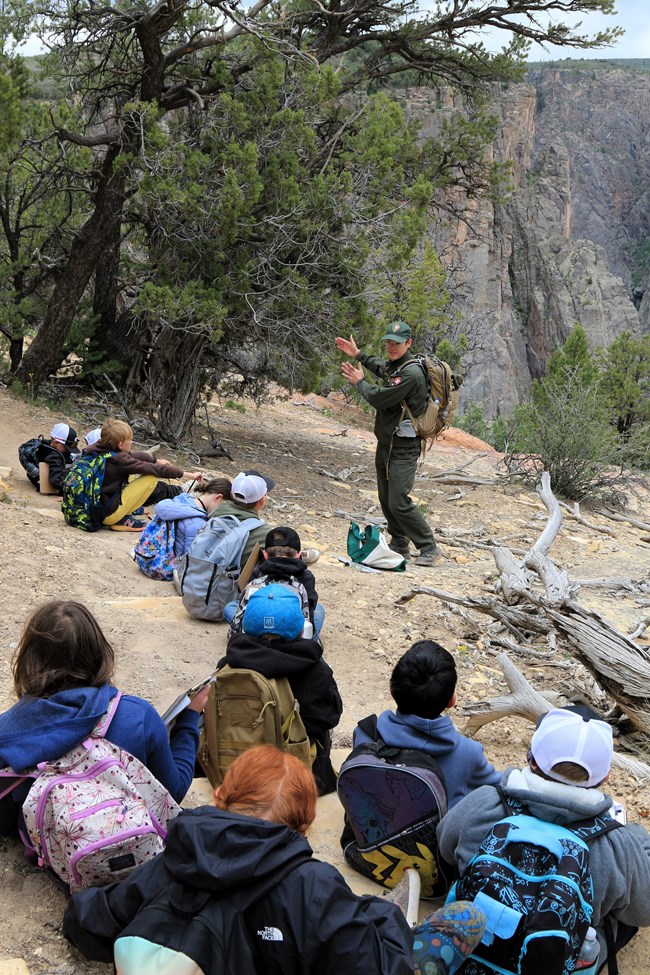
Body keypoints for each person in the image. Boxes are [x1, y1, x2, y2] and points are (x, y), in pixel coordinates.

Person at [62, 744, 487, 975]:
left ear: (221, 798)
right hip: (342, 928)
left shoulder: (173, 860)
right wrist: (387, 921)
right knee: (465, 917)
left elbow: (86, 922)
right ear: (304, 826)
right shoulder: (315, 887)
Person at [437, 707, 650, 971]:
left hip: (469, 947)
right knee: (618, 919)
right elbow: (643, 911)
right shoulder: (617, 845)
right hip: (550, 959)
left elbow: (445, 846)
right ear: (604, 778)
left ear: (531, 757)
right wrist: (639, 839)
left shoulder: (484, 803)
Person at [0, 600, 209, 838]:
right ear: (99, 651)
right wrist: (189, 719)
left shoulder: (8, 728)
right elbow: (173, 794)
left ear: (29, 659)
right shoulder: (138, 716)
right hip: (127, 843)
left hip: (51, 850)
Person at [336, 322, 439, 566]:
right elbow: (382, 367)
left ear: (409, 343)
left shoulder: (411, 373)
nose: (391, 347)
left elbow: (379, 398)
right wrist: (359, 354)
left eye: (397, 342)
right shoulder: (399, 366)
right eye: (389, 342)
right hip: (387, 443)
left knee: (398, 500)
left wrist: (360, 381)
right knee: (385, 497)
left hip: (404, 447)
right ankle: (400, 544)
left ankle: (429, 547)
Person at [354, 640, 500, 809]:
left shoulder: (365, 734)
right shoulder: (468, 753)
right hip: (434, 835)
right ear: (452, 701)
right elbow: (500, 789)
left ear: (392, 690)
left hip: (373, 831)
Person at [223, 586, 342, 794]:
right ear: (300, 628)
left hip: (238, 764)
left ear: (246, 627)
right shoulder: (315, 670)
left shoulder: (229, 663)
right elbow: (331, 716)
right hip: (292, 773)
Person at [88, 418, 204, 532]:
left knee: (131, 475)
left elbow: (134, 456)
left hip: (91, 510)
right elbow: (153, 469)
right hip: (107, 515)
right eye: (130, 440)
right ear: (120, 445)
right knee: (150, 478)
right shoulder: (120, 460)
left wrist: (156, 460)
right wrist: (189, 475)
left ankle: (122, 515)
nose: (132, 442)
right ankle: (122, 518)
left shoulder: (93, 450)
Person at [224, 525, 325, 636]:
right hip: (292, 635)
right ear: (299, 555)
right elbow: (309, 608)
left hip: (257, 632)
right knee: (318, 610)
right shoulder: (306, 577)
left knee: (230, 607)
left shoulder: (258, 573)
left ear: (265, 555)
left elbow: (246, 603)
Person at [154, 476, 232, 557]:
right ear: (218, 497)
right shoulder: (197, 523)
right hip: (166, 566)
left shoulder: (180, 500)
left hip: (148, 556)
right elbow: (190, 558)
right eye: (223, 505)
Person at [214, 469, 275, 569]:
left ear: (230, 494)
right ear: (262, 501)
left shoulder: (212, 515)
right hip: (229, 583)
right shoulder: (264, 533)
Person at [36, 422, 80, 494]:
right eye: (67, 448)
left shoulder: (46, 448)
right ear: (56, 443)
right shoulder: (54, 456)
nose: (69, 451)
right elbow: (56, 480)